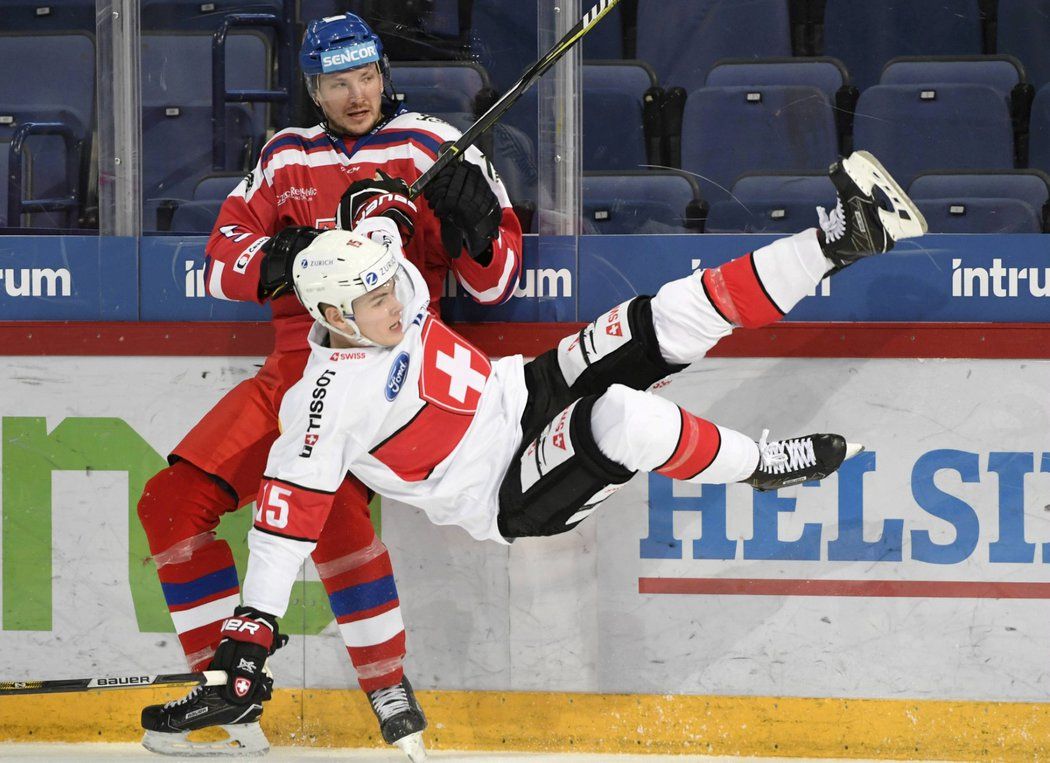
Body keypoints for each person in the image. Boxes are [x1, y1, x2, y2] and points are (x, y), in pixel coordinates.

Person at [201, 149, 924, 755]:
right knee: (624, 418)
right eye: (374, 300)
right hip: (506, 489)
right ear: (332, 318)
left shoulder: (377, 275)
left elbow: (392, 226)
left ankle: (842, 238)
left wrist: (400, 201)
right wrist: (250, 629)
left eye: (391, 284)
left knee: (661, 316)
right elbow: (284, 527)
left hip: (522, 391)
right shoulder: (321, 404)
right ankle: (765, 467)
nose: (397, 301)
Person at [136, 11, 523, 758]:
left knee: (335, 519)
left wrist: (476, 231)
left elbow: (499, 278)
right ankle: (228, 700)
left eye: (367, 76)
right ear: (313, 89)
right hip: (290, 371)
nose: (356, 95)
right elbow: (220, 262)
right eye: (338, 83)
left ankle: (387, 687)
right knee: (171, 505)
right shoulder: (287, 156)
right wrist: (289, 254)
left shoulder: (434, 148)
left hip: (381, 381)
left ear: (385, 73)